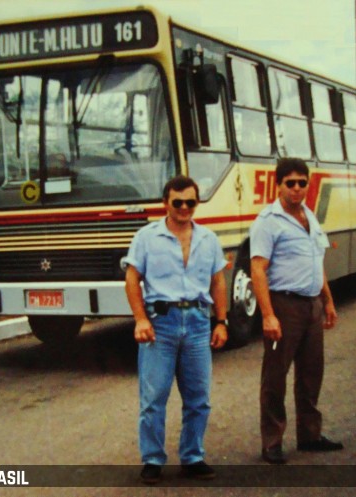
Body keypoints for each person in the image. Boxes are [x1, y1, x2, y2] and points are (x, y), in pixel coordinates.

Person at [124, 175, 228, 484]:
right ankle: (153, 459)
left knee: (199, 396)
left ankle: (192, 456)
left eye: (191, 202)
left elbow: (218, 281)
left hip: (197, 322)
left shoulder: (208, 239)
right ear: (165, 203)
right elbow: (132, 278)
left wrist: (221, 321)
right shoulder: (146, 236)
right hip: (161, 323)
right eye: (178, 202)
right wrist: (140, 319)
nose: (184, 208)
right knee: (153, 397)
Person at [250, 157, 342, 465]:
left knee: (311, 373)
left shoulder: (310, 216)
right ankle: (272, 442)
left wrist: (327, 301)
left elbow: (318, 263)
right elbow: (258, 270)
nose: (297, 188)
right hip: (284, 305)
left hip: (311, 305)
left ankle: (310, 436)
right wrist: (267, 315)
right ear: (278, 185)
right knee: (275, 375)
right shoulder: (268, 221)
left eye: (303, 182)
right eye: (291, 183)